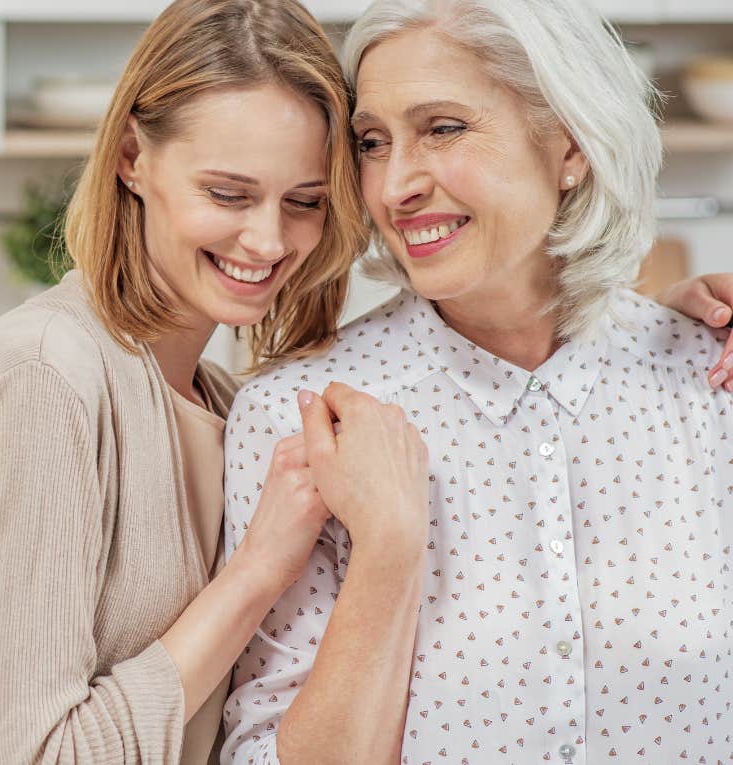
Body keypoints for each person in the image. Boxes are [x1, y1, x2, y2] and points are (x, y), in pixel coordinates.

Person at [221, 1, 733, 763]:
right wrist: (386, 554)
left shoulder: (706, 381)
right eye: (372, 142)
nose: (395, 186)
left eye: (443, 128)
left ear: (569, 144)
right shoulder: (303, 419)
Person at [0, 1, 408, 762]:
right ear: (132, 157)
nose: (269, 239)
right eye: (228, 194)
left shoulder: (228, 404)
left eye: (303, 202)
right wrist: (254, 575)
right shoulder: (45, 381)